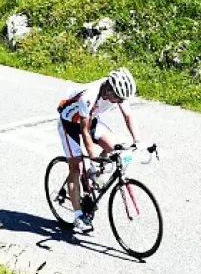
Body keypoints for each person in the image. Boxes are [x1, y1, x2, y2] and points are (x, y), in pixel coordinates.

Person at [56, 68, 141, 233]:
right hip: (69, 123)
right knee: (77, 167)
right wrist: (94, 159)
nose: (119, 101)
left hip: (90, 118)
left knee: (114, 148)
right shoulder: (89, 96)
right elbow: (85, 132)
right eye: (117, 98)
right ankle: (78, 215)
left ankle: (93, 177)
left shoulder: (117, 92)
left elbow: (128, 116)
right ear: (109, 89)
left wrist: (137, 140)